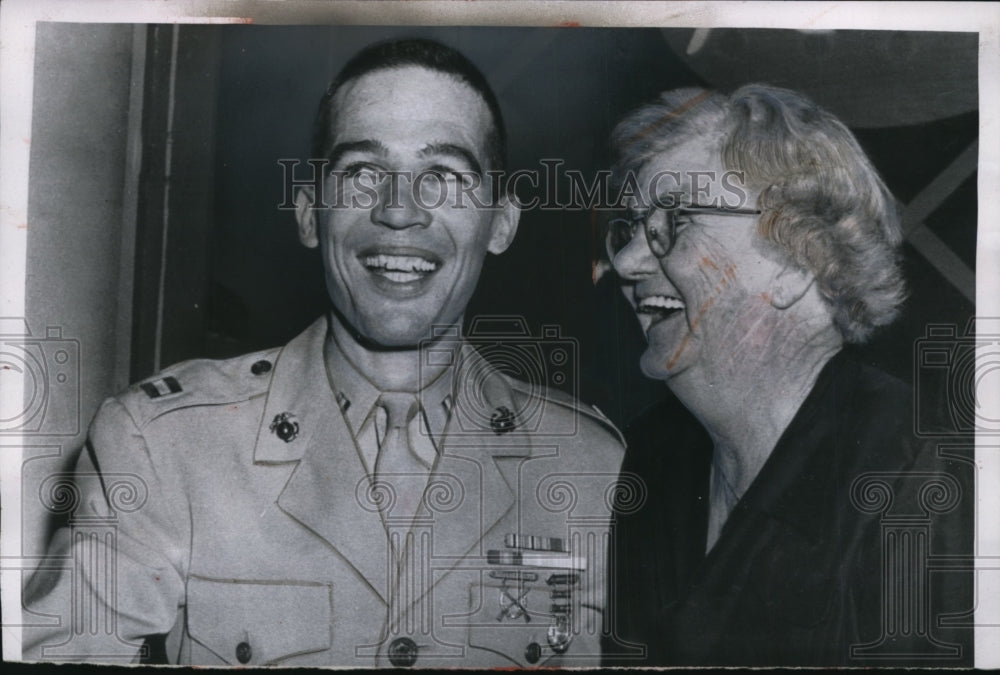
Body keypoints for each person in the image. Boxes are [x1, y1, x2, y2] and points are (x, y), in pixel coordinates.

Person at [22, 38, 625, 667]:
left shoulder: (589, 467)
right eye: (363, 173)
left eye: (443, 176)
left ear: (500, 223)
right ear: (311, 214)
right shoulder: (165, 445)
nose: (398, 211)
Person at [600, 84, 972, 666]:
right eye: (632, 227)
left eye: (677, 219)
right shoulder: (652, 458)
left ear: (798, 260)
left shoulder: (919, 479)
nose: (625, 261)